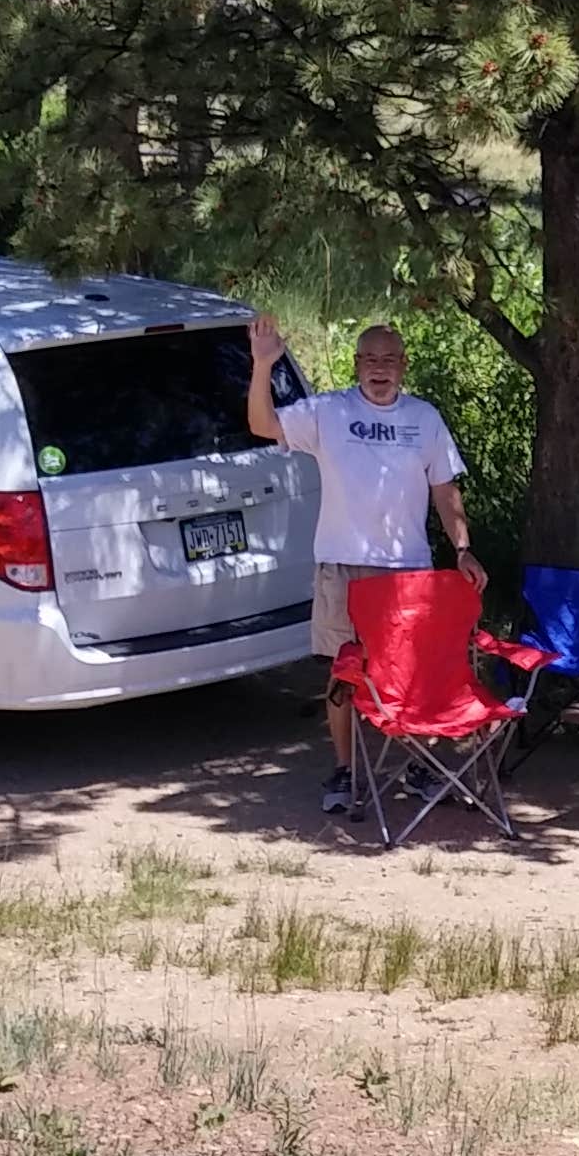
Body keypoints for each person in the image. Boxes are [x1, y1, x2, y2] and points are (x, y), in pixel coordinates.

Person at [247, 315, 474, 813]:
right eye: (369, 359)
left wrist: (461, 547)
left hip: (407, 570)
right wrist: (263, 365)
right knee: (345, 675)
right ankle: (345, 772)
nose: (379, 368)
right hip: (341, 567)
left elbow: (445, 489)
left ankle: (419, 768)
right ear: (356, 365)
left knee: (414, 674)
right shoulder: (328, 411)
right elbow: (263, 425)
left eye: (389, 360)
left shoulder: (424, 419)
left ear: (403, 366)